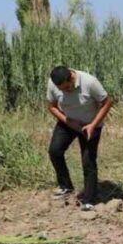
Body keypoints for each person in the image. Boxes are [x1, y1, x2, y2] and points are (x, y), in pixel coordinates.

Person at [46, 66, 114, 211]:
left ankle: (89, 199)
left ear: (71, 77)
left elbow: (107, 102)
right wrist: (67, 121)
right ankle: (66, 186)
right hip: (68, 122)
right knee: (54, 151)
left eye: (66, 88)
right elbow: (51, 106)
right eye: (61, 90)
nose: (63, 91)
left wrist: (93, 125)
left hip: (90, 124)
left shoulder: (90, 82)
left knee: (88, 161)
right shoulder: (53, 83)